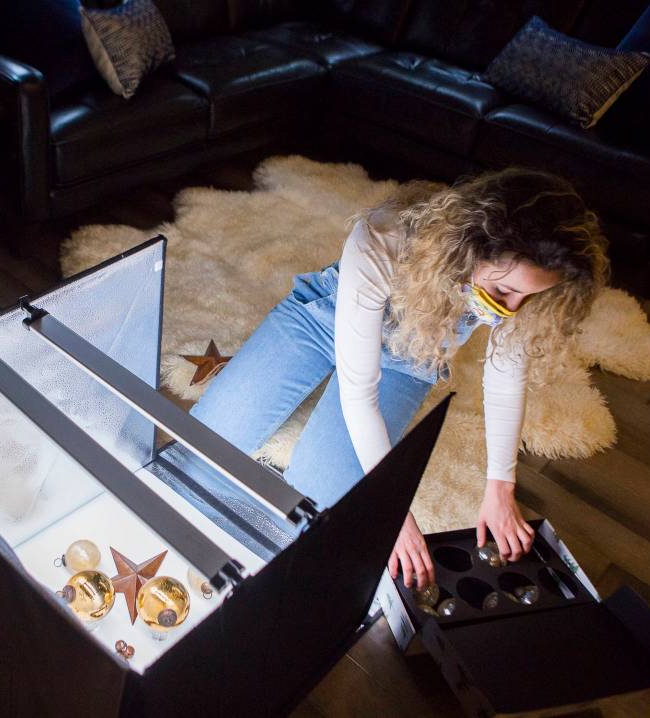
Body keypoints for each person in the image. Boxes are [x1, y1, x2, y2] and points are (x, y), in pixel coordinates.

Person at [188, 167, 609, 589]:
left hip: (410, 355)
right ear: (470, 249)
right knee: (201, 451)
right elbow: (358, 390)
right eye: (502, 293)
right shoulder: (384, 238)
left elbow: (506, 374)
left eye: (529, 296)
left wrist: (500, 486)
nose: (513, 309)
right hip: (323, 318)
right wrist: (391, 510)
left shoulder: (516, 300)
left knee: (324, 499)